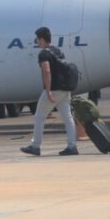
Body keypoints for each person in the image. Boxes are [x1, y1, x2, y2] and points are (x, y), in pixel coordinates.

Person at [21, 27, 79, 158]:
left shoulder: (43, 54)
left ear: (42, 39)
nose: (36, 41)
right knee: (68, 117)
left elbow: (46, 71)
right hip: (65, 90)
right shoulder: (57, 51)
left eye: (37, 39)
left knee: (39, 116)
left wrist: (48, 91)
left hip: (54, 89)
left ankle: (35, 146)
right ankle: (72, 146)